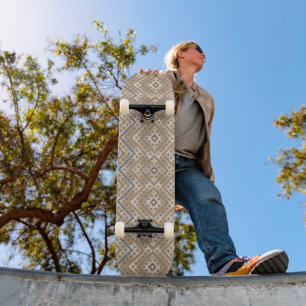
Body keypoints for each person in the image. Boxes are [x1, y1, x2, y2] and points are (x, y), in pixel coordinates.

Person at [140, 41, 289, 276]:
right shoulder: (161, 80)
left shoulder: (207, 98)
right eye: (197, 50)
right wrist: (146, 85)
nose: (203, 54)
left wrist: (195, 184)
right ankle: (146, 263)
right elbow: (138, 111)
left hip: (187, 167)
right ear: (181, 53)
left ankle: (225, 265)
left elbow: (203, 142)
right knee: (152, 219)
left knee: (208, 196)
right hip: (157, 158)